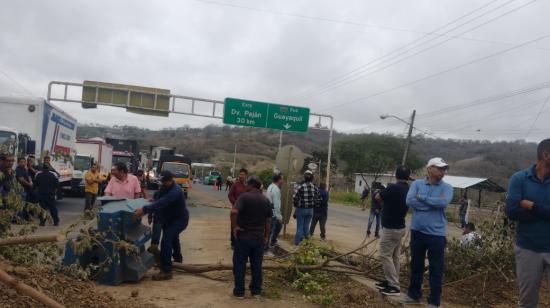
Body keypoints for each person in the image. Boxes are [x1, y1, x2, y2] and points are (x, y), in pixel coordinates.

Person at [401, 157, 453, 308]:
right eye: (439, 168)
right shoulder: (417, 184)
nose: (442, 171)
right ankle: (413, 294)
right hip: (418, 231)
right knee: (416, 265)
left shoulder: (447, 187)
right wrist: (432, 203)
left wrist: (422, 198)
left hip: (437, 234)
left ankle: (434, 301)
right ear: (429, 168)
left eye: (444, 169)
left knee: (436, 268)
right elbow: (410, 201)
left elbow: (443, 203)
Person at [505, 138, 550, 308]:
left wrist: (532, 206)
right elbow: (512, 211)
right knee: (527, 302)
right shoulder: (520, 178)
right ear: (546, 155)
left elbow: (521, 210)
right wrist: (546, 212)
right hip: (528, 249)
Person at [135, 171, 189, 281]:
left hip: (180, 219)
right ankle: (177, 260)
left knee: (166, 240)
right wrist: (152, 205)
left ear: (170, 181)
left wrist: (145, 209)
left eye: (164, 182)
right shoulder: (165, 187)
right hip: (169, 218)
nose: (162, 184)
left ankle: (166, 271)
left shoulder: (175, 191)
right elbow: (158, 199)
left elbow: (162, 202)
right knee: (173, 239)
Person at [230, 176, 272, 298]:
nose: (245, 186)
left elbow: (233, 212)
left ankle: (239, 292)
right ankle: (256, 292)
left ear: (251, 185)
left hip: (243, 237)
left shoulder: (244, 197)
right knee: (257, 265)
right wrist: (266, 236)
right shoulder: (265, 200)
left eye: (247, 184)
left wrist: (235, 227)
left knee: (239, 265)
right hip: (258, 238)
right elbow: (268, 220)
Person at [374, 165, 411, 296]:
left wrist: (383, 201)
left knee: (384, 255)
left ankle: (394, 286)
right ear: (408, 177)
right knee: (394, 256)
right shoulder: (408, 189)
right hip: (400, 227)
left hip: (390, 228)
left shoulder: (393, 187)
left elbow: (378, 197)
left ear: (396, 176)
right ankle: (391, 281)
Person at [293, 170, 320, 246]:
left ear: (304, 178)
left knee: (299, 227)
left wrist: (297, 206)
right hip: (310, 210)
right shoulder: (315, 188)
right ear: (312, 179)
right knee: (306, 228)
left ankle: (297, 244)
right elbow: (318, 199)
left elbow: (295, 198)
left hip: (301, 209)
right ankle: (307, 245)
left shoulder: (301, 187)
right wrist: (314, 205)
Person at [228, 168, 248, 247]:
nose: (241, 176)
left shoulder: (248, 186)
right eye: (240, 174)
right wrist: (236, 203)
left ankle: (241, 241)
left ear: (246, 176)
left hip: (245, 211)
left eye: (242, 174)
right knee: (234, 225)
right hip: (236, 209)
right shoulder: (235, 184)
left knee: (243, 226)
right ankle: (233, 242)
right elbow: (230, 195)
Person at [267, 174, 284, 248]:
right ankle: (267, 246)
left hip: (269, 210)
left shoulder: (270, 186)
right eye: (282, 179)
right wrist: (279, 217)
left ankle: (272, 241)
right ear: (279, 180)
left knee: (277, 227)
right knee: (271, 229)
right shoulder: (276, 189)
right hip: (273, 212)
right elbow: (276, 204)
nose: (283, 181)